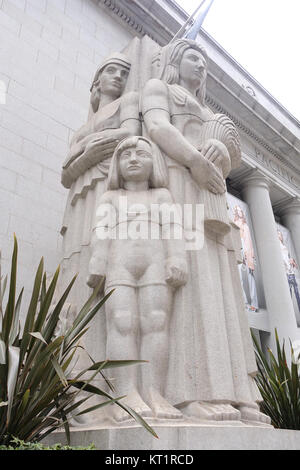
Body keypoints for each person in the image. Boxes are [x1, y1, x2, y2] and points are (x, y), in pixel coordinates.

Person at [141, 38, 270, 423]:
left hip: (211, 198)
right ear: (176, 61)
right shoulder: (158, 89)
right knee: (190, 283)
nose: (200, 66)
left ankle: (232, 392)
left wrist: (219, 151)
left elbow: (232, 155)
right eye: (193, 57)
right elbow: (157, 127)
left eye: (204, 62)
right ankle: (187, 393)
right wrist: (197, 159)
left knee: (220, 292)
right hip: (179, 189)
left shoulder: (209, 111)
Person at [88, 136, 187, 421]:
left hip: (155, 263)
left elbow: (173, 229)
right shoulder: (111, 198)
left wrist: (176, 257)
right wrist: (98, 259)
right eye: (126, 154)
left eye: (140, 153)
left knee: (156, 321)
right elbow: (101, 231)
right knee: (121, 322)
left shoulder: (161, 196)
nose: (132, 159)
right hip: (120, 263)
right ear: (117, 165)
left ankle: (155, 392)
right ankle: (125, 393)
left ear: (153, 161)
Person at [59, 52, 141, 324]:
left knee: (101, 244)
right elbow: (66, 174)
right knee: (76, 253)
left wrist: (85, 152)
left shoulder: (126, 103)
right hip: (80, 192)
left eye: (124, 73)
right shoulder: (82, 128)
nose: (118, 76)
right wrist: (87, 154)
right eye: (112, 71)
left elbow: (131, 133)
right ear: (97, 81)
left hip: (108, 185)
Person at [233, 205, 259, 312]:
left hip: (247, 250)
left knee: (250, 277)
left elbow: (250, 243)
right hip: (238, 249)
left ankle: (254, 304)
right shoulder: (234, 224)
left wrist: (251, 256)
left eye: (240, 210)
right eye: (237, 211)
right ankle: (244, 302)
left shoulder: (246, 226)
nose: (239, 212)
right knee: (238, 277)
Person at [278, 229, 300, 312]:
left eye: (280, 234)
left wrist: (291, 260)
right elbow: (283, 259)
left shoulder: (283, 245)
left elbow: (287, 257)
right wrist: (287, 266)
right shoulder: (278, 246)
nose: (279, 236)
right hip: (287, 272)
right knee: (290, 294)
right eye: (278, 234)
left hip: (290, 272)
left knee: (296, 293)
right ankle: (289, 313)